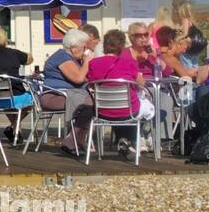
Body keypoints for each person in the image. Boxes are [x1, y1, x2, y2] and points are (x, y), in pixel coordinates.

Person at [87, 29, 155, 159]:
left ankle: (125, 140)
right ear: (122, 47)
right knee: (146, 105)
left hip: (102, 110)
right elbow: (139, 85)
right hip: (128, 110)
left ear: (105, 45)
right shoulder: (129, 63)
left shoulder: (93, 64)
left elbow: (90, 84)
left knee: (118, 107)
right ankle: (135, 140)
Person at [40, 27, 95, 155]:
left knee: (94, 101)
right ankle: (72, 140)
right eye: (83, 48)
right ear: (73, 47)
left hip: (68, 95)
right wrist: (87, 61)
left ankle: (78, 140)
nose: (85, 51)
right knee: (89, 102)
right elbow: (78, 78)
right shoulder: (62, 57)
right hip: (53, 97)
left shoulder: (74, 59)